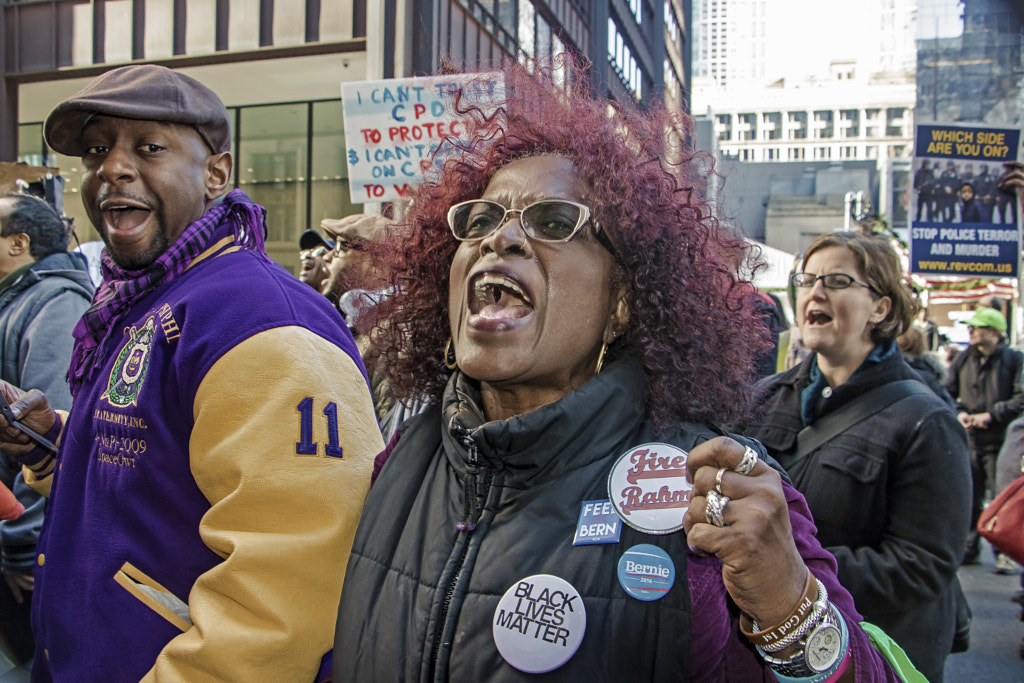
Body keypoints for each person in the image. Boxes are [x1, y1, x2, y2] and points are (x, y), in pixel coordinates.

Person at [331, 66, 905, 682]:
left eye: (554, 222)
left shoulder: (707, 490)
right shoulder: (398, 460)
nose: (502, 240)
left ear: (623, 303)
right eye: (481, 221)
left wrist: (789, 606)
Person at [0, 64, 381, 681]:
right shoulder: (146, 300)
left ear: (216, 174)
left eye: (148, 147)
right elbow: (158, 468)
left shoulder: (256, 321)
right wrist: (53, 443)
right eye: (98, 151)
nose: (113, 168)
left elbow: (284, 602)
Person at [741, 231, 970, 682]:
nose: (816, 292)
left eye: (839, 281)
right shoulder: (760, 400)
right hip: (775, 647)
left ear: (881, 308)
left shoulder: (926, 420)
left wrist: (791, 566)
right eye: (806, 280)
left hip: (867, 653)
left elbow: (923, 566)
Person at [0, 193, 94, 666]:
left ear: (19, 242)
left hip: (27, 545)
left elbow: (46, 428)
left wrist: (21, 543)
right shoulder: (19, 297)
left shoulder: (56, 302)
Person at [945, 306, 1024, 567]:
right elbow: (947, 390)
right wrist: (960, 413)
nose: (972, 332)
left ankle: (1005, 553)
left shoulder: (1013, 360)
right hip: (970, 440)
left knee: (1004, 500)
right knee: (970, 497)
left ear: (995, 332)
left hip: (1003, 442)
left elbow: (1020, 398)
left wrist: (991, 415)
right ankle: (969, 549)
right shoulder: (964, 358)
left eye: (977, 327)